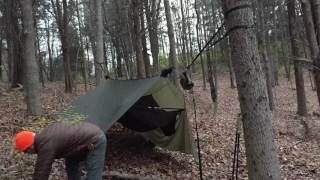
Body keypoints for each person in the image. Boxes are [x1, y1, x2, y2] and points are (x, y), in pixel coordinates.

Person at [15, 122, 107, 180]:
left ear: (29, 147)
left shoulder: (46, 145)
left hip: (94, 140)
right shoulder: (44, 136)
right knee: (71, 165)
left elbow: (41, 173)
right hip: (78, 143)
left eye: (25, 151)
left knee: (93, 172)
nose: (28, 154)